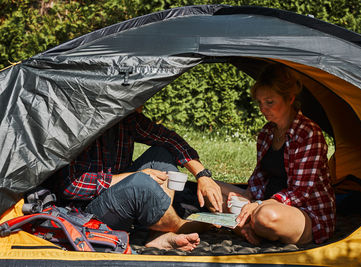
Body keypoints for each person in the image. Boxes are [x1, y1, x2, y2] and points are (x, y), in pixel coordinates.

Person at [49, 106, 223, 251]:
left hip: (120, 196)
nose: (142, 106)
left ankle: (158, 234)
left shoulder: (127, 119)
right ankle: (184, 225)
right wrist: (133, 176)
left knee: (161, 154)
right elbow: (70, 186)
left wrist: (202, 175)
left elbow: (170, 140)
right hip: (86, 212)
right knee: (140, 184)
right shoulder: (77, 124)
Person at [214, 64, 336, 245]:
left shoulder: (308, 133)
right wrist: (247, 196)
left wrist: (258, 205)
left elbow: (300, 193)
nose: (263, 109)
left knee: (265, 217)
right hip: (265, 200)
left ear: (290, 99)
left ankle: (246, 226)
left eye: (269, 102)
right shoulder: (266, 133)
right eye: (260, 103)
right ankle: (248, 228)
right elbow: (260, 176)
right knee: (213, 190)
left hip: (303, 211)